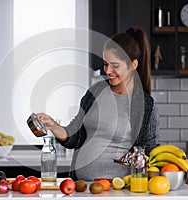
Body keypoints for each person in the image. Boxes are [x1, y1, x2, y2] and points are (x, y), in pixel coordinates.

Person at [36, 27, 160, 181]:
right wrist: (53, 125)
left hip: (119, 189)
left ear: (133, 65)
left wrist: (132, 160)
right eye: (105, 64)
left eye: (115, 66)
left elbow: (151, 153)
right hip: (81, 186)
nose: (107, 71)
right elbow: (75, 135)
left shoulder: (145, 105)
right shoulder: (96, 91)